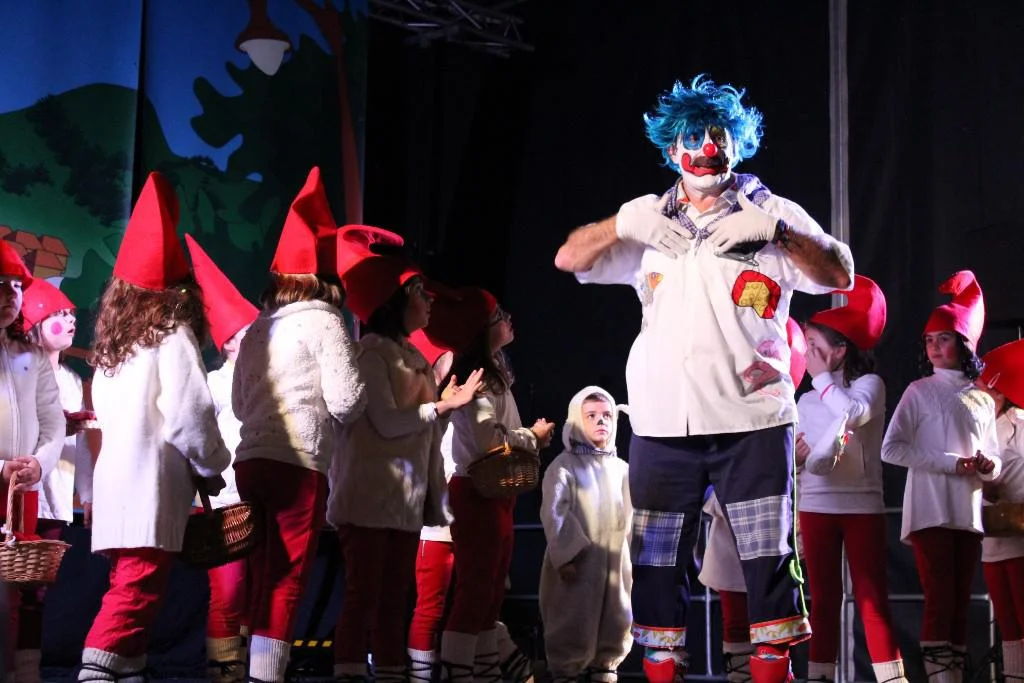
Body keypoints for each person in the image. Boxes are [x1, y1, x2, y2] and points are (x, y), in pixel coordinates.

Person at [553, 75, 853, 683]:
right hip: (664, 423)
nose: (707, 147)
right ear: (672, 149)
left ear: (737, 142)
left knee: (769, 564)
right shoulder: (650, 222)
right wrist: (624, 222)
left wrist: (777, 233)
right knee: (658, 570)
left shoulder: (772, 210)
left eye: (718, 134)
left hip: (754, 420)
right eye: (693, 137)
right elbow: (569, 257)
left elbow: (840, 272)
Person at [81, 172, 230, 682]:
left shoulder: (113, 345)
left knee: (129, 585)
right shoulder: (171, 332)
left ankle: (127, 671)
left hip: (118, 483)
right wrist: (212, 464)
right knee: (136, 591)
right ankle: (95, 674)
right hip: (150, 484)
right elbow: (190, 412)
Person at [329, 226, 482, 683]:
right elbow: (388, 422)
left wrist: (443, 406)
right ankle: (349, 673)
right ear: (395, 301)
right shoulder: (371, 355)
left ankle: (393, 673)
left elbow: (422, 432)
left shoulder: (413, 358)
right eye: (419, 293)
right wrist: (441, 406)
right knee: (364, 595)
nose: (429, 300)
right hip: (368, 498)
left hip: (404, 501)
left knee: (395, 599)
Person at [232, 167, 366, 683]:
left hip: (251, 462)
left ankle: (248, 667)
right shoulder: (326, 320)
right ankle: (265, 676)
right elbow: (347, 401)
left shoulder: (257, 327)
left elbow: (240, 404)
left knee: (260, 573)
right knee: (286, 578)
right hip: (297, 461)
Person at [882, 270, 1000, 683]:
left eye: (943, 339)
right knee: (939, 596)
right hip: (930, 509)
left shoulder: (982, 397)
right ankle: (941, 678)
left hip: (967, 512)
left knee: (960, 599)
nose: (934, 347)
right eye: (929, 340)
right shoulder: (919, 391)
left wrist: (987, 466)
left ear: (964, 343)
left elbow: (996, 456)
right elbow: (891, 448)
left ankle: (954, 675)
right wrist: (951, 463)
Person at [438, 287, 556, 683]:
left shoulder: (495, 377)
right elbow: (488, 441)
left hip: (495, 494)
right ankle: (458, 672)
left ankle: (486, 669)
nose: (508, 319)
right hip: (475, 492)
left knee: (490, 592)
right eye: (499, 315)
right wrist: (531, 437)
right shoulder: (480, 381)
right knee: (475, 590)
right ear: (483, 327)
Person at [797, 275, 906, 683]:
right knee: (823, 600)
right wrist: (798, 458)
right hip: (816, 506)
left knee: (871, 597)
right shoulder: (807, 398)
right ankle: (819, 676)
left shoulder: (869, 386)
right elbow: (799, 451)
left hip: (861, 505)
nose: (807, 354)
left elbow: (853, 414)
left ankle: (892, 678)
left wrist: (821, 378)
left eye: (814, 345)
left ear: (840, 350)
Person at [697, 319, 807, 683]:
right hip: (730, 536)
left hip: (770, 537)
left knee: (773, 617)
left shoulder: (786, 417)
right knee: (735, 618)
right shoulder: (719, 416)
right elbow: (705, 478)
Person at [184, 234, 260, 683]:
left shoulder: (269, 383)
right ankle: (224, 676)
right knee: (227, 595)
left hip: (261, 496)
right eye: (247, 334)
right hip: (224, 498)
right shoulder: (213, 383)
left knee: (254, 596)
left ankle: (247, 671)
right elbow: (195, 436)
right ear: (228, 342)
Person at [16, 278, 94, 683]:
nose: (70, 321)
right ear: (34, 324)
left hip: (56, 495)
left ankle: (28, 670)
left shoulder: (72, 381)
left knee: (39, 589)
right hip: (20, 493)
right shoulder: (19, 371)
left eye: (71, 315)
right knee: (12, 585)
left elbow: (81, 447)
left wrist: (87, 494)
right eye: (58, 315)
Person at [0, 243, 64, 680]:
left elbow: (52, 422)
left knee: (14, 595)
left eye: (17, 286)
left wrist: (39, 465)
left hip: (19, 493)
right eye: (1, 285)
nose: (11, 294)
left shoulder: (33, 356)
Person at [539, 386, 632, 683]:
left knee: (616, 616)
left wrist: (634, 556)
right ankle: (566, 671)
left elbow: (633, 514)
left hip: (615, 562)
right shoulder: (564, 466)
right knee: (571, 616)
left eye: (607, 415)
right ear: (576, 420)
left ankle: (606, 667)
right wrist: (566, 553)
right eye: (591, 416)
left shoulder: (622, 470)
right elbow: (555, 511)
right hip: (579, 565)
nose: (601, 421)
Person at [974, 339, 1024, 681]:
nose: (977, 398)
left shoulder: (1019, 423)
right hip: (991, 535)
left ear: (1000, 392)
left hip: (1019, 533)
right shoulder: (978, 429)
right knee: (1007, 621)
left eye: (983, 390)